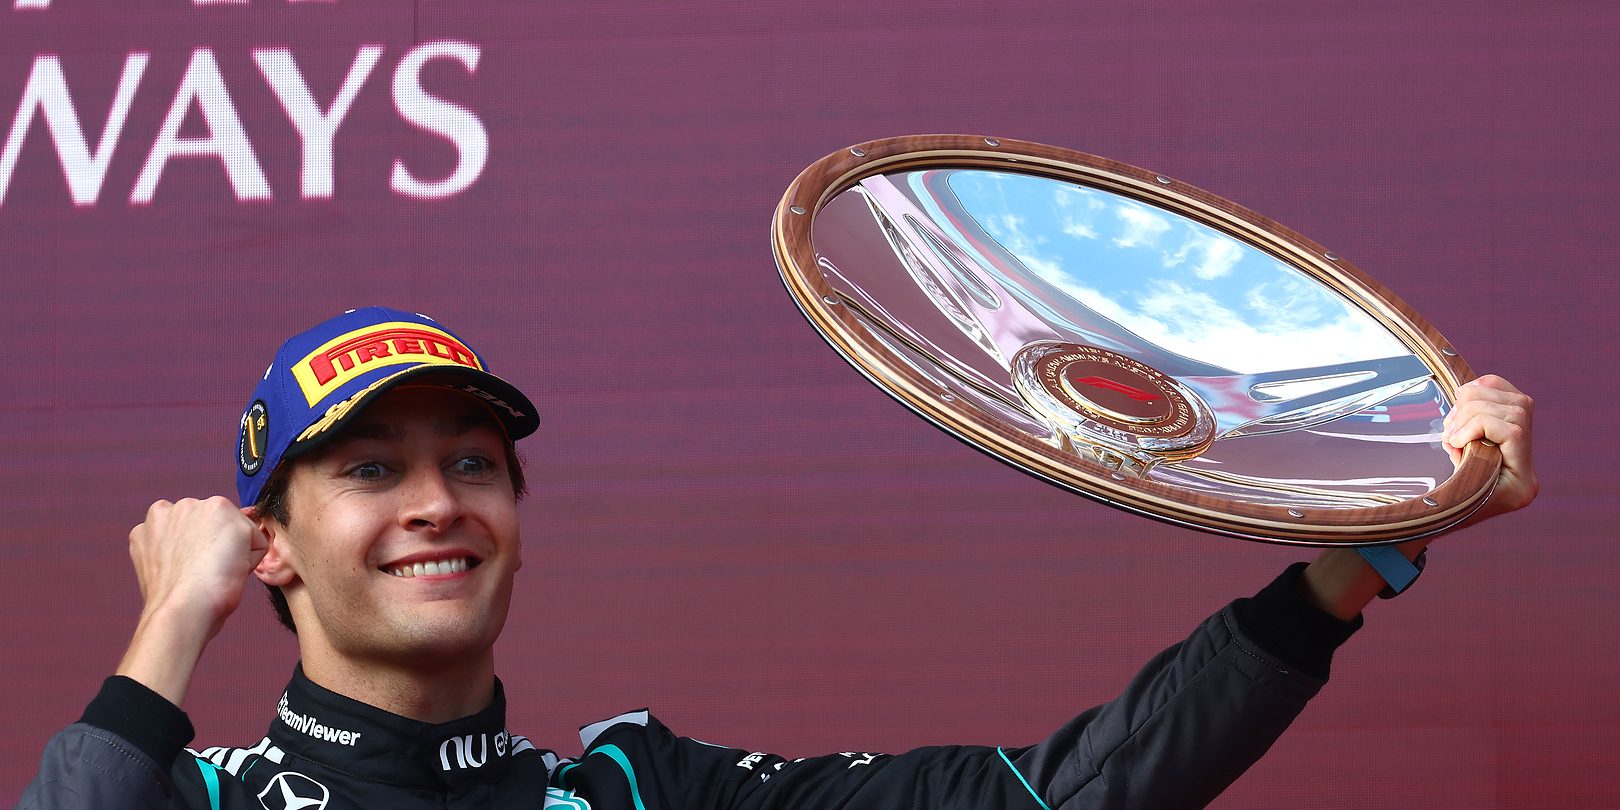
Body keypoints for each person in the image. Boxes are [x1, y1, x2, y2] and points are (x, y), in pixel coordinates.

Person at [17, 307, 1538, 810]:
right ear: (269, 546)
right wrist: (170, 629)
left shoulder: (636, 789)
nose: (437, 503)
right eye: (370, 470)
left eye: (472, 463)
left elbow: (1070, 793)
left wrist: (1359, 554)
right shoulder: (191, 795)